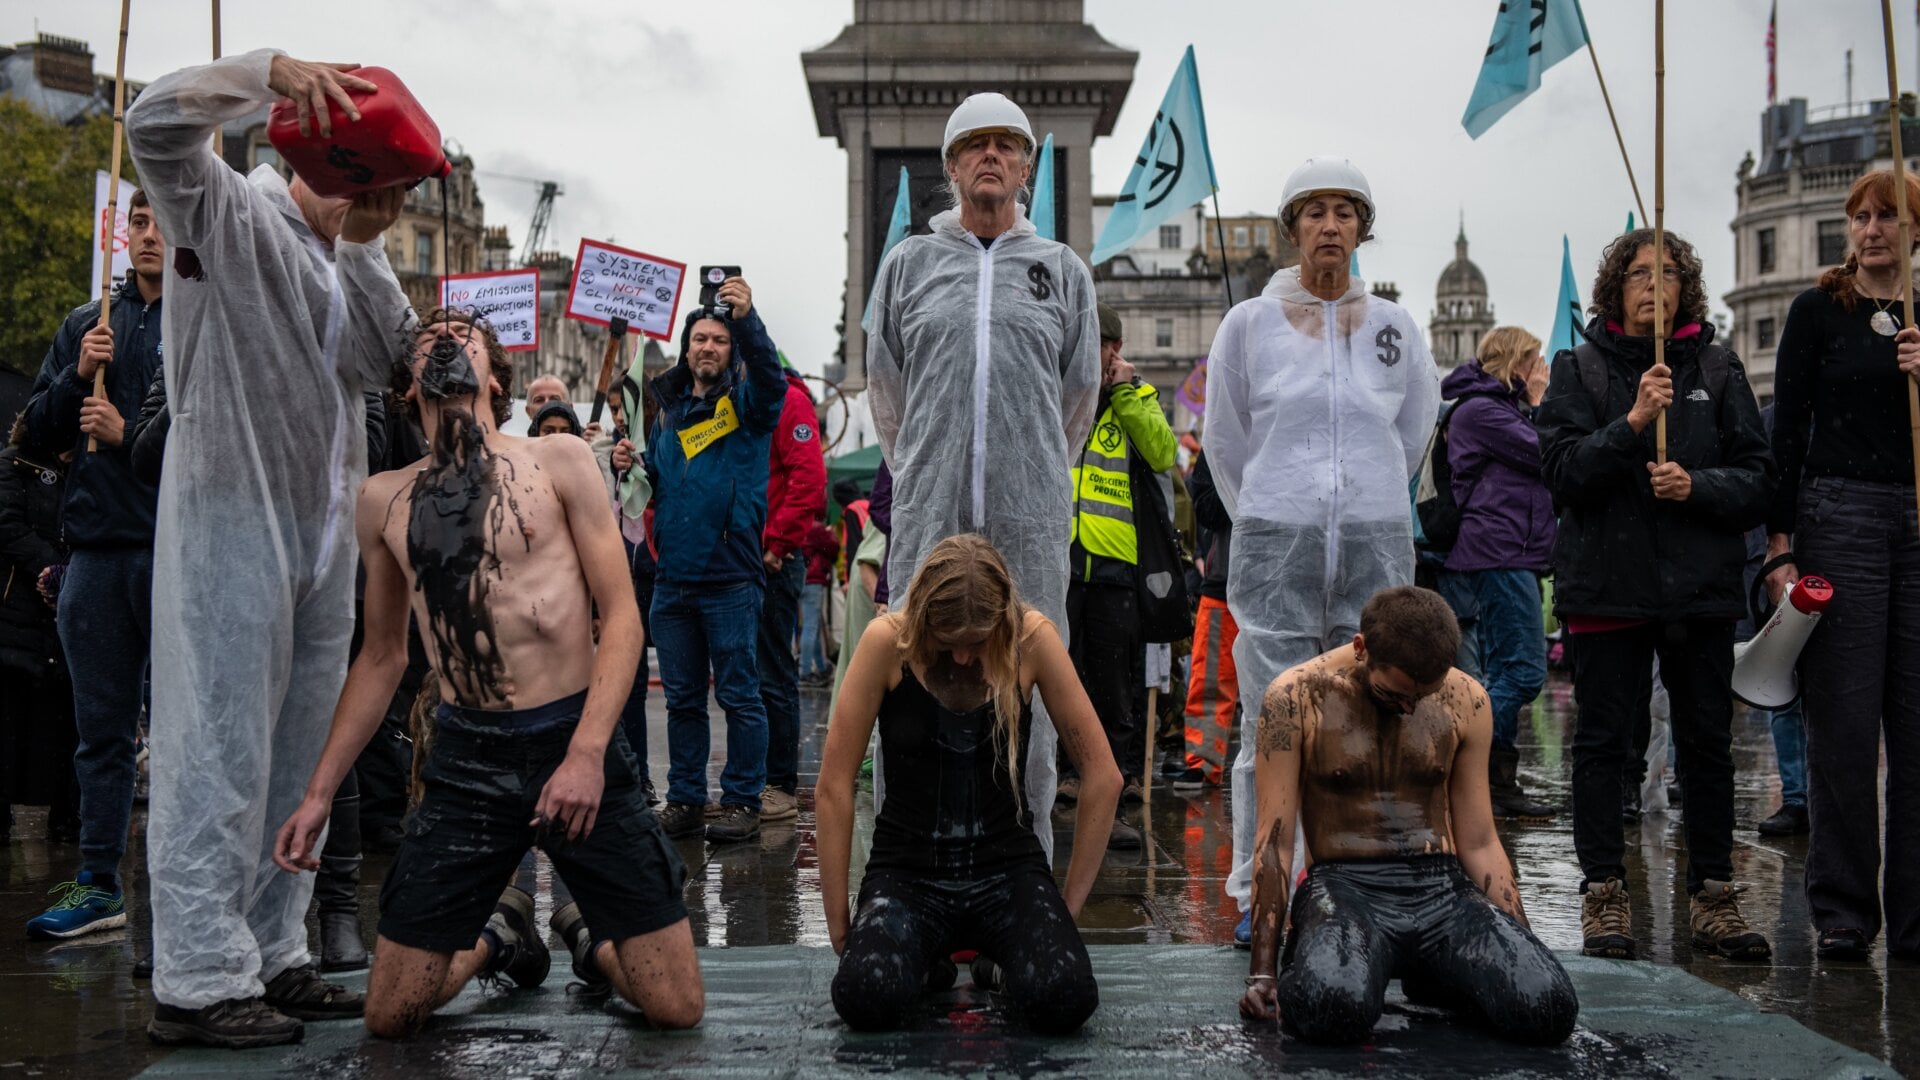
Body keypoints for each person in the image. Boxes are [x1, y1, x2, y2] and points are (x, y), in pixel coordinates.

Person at [273, 309, 700, 1038]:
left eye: (461, 334)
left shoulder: (558, 461)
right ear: (410, 388)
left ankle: (588, 941)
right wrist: (317, 794)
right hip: (467, 756)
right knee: (390, 1014)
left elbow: (623, 618)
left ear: (493, 378)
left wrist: (590, 755)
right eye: (427, 337)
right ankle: (504, 936)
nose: (443, 338)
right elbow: (382, 658)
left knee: (676, 1007)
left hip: (572, 741)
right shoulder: (385, 500)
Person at [125, 52, 412, 1045]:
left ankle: (272, 948)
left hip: (323, 539)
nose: (399, 204)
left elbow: (390, 358)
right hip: (229, 526)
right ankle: (198, 978)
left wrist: (362, 237)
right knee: (217, 745)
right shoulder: (229, 210)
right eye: (389, 184)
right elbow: (154, 123)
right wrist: (265, 75)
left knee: (298, 750)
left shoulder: (342, 259)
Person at [1203, 157, 1440, 945]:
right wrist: (1278, 507)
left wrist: (1363, 495)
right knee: (1273, 721)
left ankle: (1354, 881)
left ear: (1363, 230)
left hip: (1372, 541)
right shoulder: (1249, 325)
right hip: (1278, 543)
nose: (1330, 226)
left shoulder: (1395, 330)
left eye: (1346, 212)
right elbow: (1227, 440)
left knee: (1373, 717)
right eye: (1315, 212)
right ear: (1292, 227)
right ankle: (1257, 888)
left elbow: (1410, 433)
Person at [866, 92, 1101, 855]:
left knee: (1027, 681)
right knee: (910, 677)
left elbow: (1078, 397)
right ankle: (909, 854)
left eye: (1007, 144)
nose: (991, 156)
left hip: (1029, 519)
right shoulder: (907, 266)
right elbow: (887, 393)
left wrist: (1031, 473)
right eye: (975, 145)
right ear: (950, 166)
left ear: (1027, 166)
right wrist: (927, 470)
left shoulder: (1062, 272)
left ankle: (1023, 852)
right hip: (930, 515)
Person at [1535, 227, 1774, 962]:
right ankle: (1604, 893)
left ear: (1684, 289)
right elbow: (1564, 473)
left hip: (1699, 589)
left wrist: (1697, 486)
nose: (1653, 284)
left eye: (1667, 273)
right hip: (1609, 585)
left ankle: (1712, 894)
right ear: (1617, 288)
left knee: (1706, 744)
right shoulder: (1579, 369)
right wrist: (1633, 423)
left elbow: (1760, 478)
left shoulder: (1719, 367)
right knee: (1607, 745)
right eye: (1639, 273)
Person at [1236, 586, 1577, 1046]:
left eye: (1424, 694)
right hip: (1346, 886)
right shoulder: (1295, 698)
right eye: (1396, 693)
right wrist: (1263, 972)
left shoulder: (1466, 698)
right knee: (1331, 1007)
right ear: (1361, 649)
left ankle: (1434, 973)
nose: (1410, 708)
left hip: (1442, 889)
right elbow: (1273, 841)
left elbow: (1479, 841)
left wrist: (1521, 945)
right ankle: (1322, 952)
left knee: (1547, 1006)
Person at [818, 534, 1120, 1033]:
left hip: (1006, 871)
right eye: (946, 641)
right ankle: (925, 968)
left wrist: (1068, 910)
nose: (960, 658)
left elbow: (1103, 777)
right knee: (863, 994)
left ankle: (992, 967)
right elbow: (834, 784)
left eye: (976, 643)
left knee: (1066, 994)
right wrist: (838, 928)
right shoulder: (886, 642)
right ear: (921, 619)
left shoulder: (1031, 639)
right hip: (908, 873)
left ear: (1000, 623)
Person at [1765, 170, 1920, 961]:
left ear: (1914, 229)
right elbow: (1785, 432)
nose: (1870, 230)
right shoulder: (1817, 312)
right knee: (1846, 725)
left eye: (1888, 216)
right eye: (1859, 217)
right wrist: (1780, 545)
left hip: (1918, 520)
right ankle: (1845, 911)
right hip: (1842, 515)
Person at [19, 188, 164, 940]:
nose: (148, 236)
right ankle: (99, 882)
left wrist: (127, 434)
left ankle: (179, 890)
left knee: (181, 732)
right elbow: (32, 440)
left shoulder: (204, 323)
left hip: (174, 551)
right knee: (99, 732)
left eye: (162, 224)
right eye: (138, 223)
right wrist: (78, 376)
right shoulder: (88, 323)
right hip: (96, 555)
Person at [645, 277, 786, 844]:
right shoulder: (669, 410)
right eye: (699, 338)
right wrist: (632, 463)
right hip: (673, 581)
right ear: (686, 348)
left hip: (730, 578)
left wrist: (749, 321)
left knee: (739, 697)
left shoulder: (748, 407)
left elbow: (771, 378)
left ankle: (743, 801)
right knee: (682, 702)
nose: (707, 347)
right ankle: (684, 799)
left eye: (719, 341)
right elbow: (661, 483)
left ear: (732, 353)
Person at [1059, 302, 1176, 850]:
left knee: (1114, 690)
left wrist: (1128, 393)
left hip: (1114, 565)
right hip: (1060, 563)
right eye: (1092, 345)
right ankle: (1063, 784)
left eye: (1107, 346)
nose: (1101, 355)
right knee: (1060, 680)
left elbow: (1162, 452)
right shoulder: (1063, 394)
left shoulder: (1137, 397)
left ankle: (1113, 791)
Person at [1441, 326, 1556, 820]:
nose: (1542, 370)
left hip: (1513, 550)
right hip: (1499, 550)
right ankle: (1462, 758)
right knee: (1525, 671)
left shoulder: (1496, 408)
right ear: (1515, 365)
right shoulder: (1482, 410)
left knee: (1505, 669)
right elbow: (1548, 451)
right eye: (1536, 361)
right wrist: (1540, 400)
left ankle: (1493, 781)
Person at [0, 414, 78, 844]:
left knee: (63, 723)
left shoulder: (84, 470)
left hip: (60, 622)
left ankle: (68, 822)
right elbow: (7, 525)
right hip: (16, 615)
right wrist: (51, 566)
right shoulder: (12, 465)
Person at [759, 360, 828, 823]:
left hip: (772, 558)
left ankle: (779, 784)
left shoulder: (790, 401)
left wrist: (778, 543)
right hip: (741, 554)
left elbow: (808, 482)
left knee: (771, 673)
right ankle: (751, 783)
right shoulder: (737, 400)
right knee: (746, 676)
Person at [1176, 447, 1237, 793]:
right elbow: (1207, 510)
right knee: (1210, 675)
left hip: (1272, 582)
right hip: (1224, 580)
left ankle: (1280, 762)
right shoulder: (1218, 445)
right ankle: (1203, 761)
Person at [799, 509, 839, 686]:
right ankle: (805, 671)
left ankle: (821, 667)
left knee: (811, 625)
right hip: (814, 579)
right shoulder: (816, 527)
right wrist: (831, 533)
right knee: (811, 626)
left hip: (800, 579)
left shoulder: (799, 523)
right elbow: (833, 546)